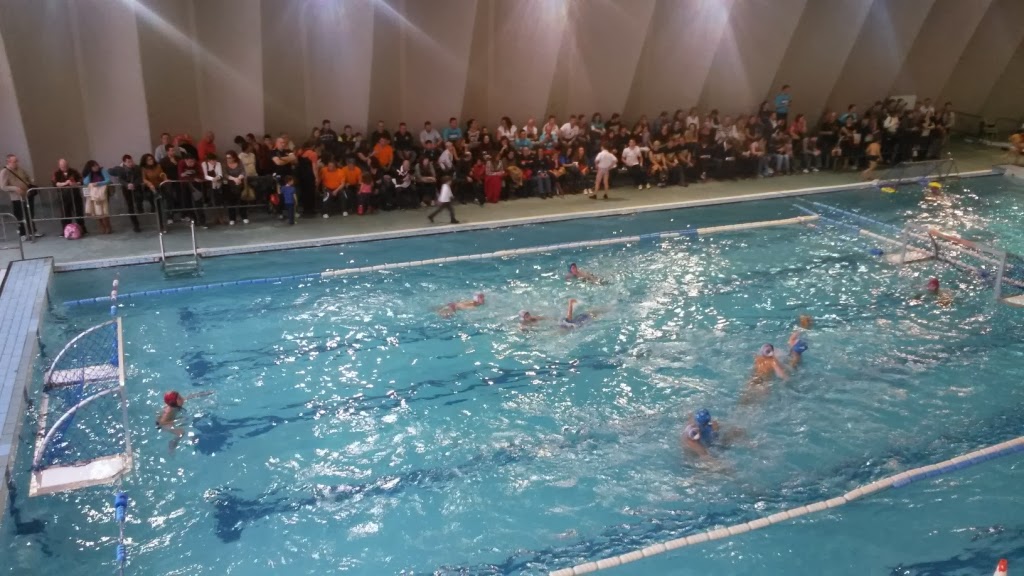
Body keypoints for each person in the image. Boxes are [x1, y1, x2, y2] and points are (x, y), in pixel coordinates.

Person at [1, 154, 43, 240]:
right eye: (14, 161)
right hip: (17, 198)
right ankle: (22, 234)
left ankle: (32, 231)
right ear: (9, 162)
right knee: (19, 216)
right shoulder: (4, 172)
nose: (16, 163)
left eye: (17, 161)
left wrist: (30, 182)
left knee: (30, 213)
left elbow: (27, 177)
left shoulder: (20, 169)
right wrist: (15, 188)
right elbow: (3, 186)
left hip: (27, 195)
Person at [52, 158, 88, 236]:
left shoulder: (74, 171)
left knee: (79, 212)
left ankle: (82, 229)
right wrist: (65, 183)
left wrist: (76, 184)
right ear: (59, 166)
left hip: (75, 195)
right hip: (63, 197)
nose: (64, 167)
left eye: (66, 165)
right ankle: (65, 230)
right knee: (65, 214)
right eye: (62, 166)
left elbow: (81, 180)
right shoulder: (57, 173)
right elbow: (55, 183)